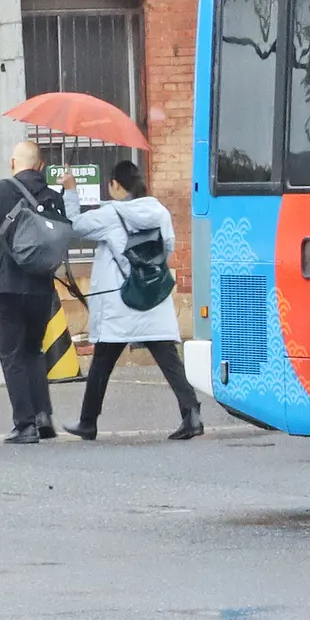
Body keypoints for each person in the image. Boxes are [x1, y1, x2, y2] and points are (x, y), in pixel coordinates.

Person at [65, 158, 203, 442]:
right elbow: (166, 248)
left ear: (115, 185)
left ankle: (88, 422)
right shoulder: (158, 211)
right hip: (152, 297)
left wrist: (70, 191)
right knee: (168, 360)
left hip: (120, 302)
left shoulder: (111, 215)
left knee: (102, 361)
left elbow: (74, 225)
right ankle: (192, 415)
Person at [0, 139, 67, 443]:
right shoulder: (53, 197)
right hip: (41, 289)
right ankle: (44, 415)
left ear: (12, 164)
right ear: (41, 166)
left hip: (6, 286)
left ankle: (25, 424)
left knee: (12, 355)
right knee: (34, 350)